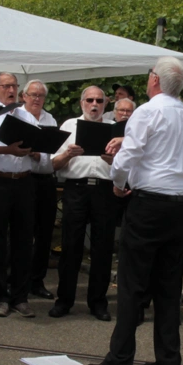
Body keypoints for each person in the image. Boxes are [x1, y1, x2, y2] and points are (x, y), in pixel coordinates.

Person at [85, 57, 183, 365]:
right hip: (180, 204)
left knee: (132, 284)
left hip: (149, 203)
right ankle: (169, 360)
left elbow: (128, 157)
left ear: (155, 80)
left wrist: (118, 183)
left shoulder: (146, 112)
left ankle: (120, 361)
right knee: (169, 285)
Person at [0, 73, 38, 318]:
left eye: (14, 86)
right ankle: (1, 296)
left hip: (23, 182)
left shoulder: (26, 116)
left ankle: (20, 296)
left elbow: (39, 147)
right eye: (6, 86)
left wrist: (36, 150)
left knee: (24, 240)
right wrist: (7, 149)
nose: (11, 90)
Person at [51, 86, 116, 321]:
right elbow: (54, 164)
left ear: (106, 104)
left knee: (103, 247)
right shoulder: (69, 126)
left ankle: (98, 302)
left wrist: (113, 160)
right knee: (70, 246)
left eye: (99, 100)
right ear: (81, 103)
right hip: (76, 189)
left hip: (104, 190)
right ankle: (64, 300)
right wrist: (68, 154)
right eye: (89, 100)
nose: (94, 105)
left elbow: (128, 166)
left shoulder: (114, 129)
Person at [21, 80, 60, 300]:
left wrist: (38, 155)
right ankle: (18, 279)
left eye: (41, 95)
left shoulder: (50, 119)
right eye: (33, 95)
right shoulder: (17, 116)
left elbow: (51, 152)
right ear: (24, 96)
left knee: (45, 233)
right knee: (22, 232)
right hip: (24, 179)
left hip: (45, 179)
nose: (37, 99)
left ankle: (37, 280)